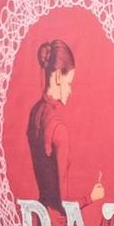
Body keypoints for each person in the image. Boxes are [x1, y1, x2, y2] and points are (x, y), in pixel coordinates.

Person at [27, 40, 77, 211]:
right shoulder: (58, 129)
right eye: (69, 82)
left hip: (41, 216)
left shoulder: (35, 113)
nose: (70, 90)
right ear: (57, 77)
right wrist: (91, 198)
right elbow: (64, 203)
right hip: (58, 224)